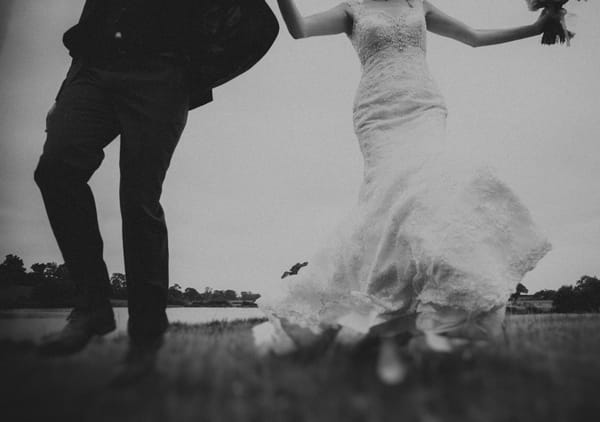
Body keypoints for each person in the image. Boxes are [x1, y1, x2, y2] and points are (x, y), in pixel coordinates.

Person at [254, 0, 556, 354]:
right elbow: (299, 29)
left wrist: (536, 29)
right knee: (387, 202)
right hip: (377, 112)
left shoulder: (419, 4)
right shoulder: (353, 9)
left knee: (432, 192)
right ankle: (367, 313)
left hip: (424, 105)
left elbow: (473, 37)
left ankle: (435, 311)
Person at [34, 0, 279, 357]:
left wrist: (192, 75)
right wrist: (63, 93)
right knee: (55, 170)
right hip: (94, 66)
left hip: (162, 74)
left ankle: (146, 338)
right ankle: (92, 307)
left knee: (138, 199)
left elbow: (261, 27)